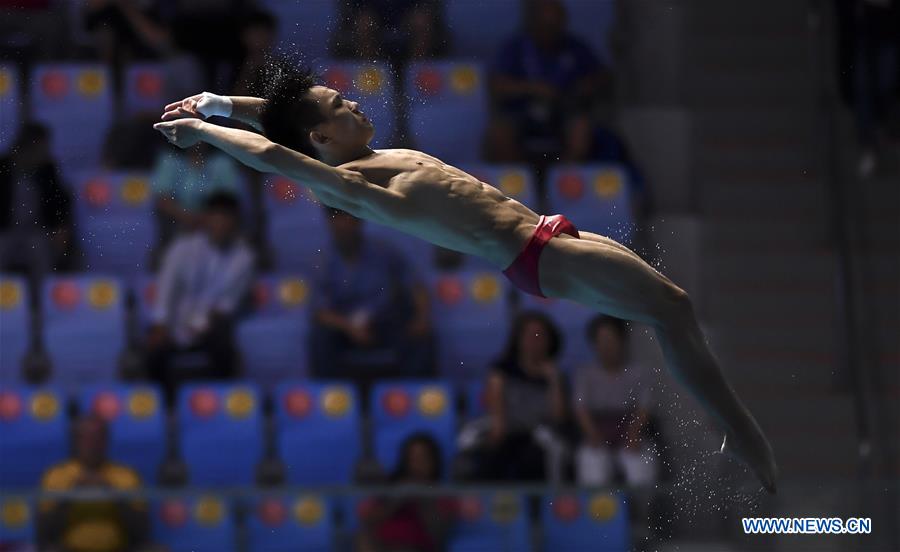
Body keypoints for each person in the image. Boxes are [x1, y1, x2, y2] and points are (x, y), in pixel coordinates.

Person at [152, 65, 778, 492]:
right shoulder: (357, 185)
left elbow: (285, 123)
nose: (355, 103)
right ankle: (743, 434)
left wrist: (219, 103)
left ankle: (731, 425)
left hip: (550, 234)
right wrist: (206, 131)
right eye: (342, 106)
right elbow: (274, 153)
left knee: (670, 308)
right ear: (323, 136)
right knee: (672, 307)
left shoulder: (370, 154)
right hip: (540, 258)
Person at [145, 191, 254, 403]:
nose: (220, 224)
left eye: (226, 218)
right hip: (175, 322)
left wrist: (200, 326)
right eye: (216, 217)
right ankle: (164, 407)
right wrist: (161, 324)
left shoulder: (244, 258)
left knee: (224, 348)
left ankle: (217, 404)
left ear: (235, 222)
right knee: (152, 352)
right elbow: (166, 288)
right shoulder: (183, 247)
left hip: (210, 326)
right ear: (207, 218)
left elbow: (226, 305)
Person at [309, 207, 433, 379]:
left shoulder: (383, 252)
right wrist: (350, 328)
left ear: (360, 219)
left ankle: (411, 392)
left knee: (421, 336)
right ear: (329, 222)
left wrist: (422, 317)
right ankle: (330, 392)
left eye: (348, 217)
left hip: (384, 322)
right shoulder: (322, 261)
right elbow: (319, 312)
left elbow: (416, 285)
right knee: (320, 337)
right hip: (345, 328)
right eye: (337, 218)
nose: (344, 224)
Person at [484, 0, 610, 165]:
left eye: (555, 25)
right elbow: (497, 85)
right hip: (522, 110)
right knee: (499, 132)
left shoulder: (575, 47)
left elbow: (602, 77)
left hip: (562, 110)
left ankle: (563, 177)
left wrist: (583, 87)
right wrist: (532, 89)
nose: (551, 31)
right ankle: (519, 178)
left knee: (581, 128)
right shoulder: (515, 47)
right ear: (533, 23)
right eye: (546, 26)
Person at [461, 311, 569, 482]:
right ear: (518, 339)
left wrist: (554, 380)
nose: (534, 341)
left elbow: (559, 417)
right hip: (505, 428)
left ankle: (549, 497)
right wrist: (498, 429)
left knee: (541, 455)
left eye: (539, 335)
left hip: (538, 435)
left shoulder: (556, 376)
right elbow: (495, 410)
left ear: (550, 340)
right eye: (529, 335)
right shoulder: (501, 371)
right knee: (478, 450)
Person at [38, 415, 150, 552]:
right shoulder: (56, 476)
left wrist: (113, 494)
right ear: (76, 441)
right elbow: (45, 531)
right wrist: (72, 494)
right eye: (87, 438)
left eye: (98, 438)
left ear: (106, 440)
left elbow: (141, 531)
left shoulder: (127, 476)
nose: (93, 444)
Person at [573, 315, 657, 487]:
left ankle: (641, 506)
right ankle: (599, 506)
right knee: (593, 466)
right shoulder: (585, 374)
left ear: (622, 341)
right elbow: (580, 409)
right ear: (594, 344)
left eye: (611, 340)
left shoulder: (638, 373)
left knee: (640, 468)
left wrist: (633, 435)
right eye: (602, 340)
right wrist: (593, 434)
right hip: (597, 433)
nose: (607, 346)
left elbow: (644, 408)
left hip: (630, 432)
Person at [0, 122, 77, 280]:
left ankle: (41, 293)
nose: (45, 152)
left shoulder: (47, 170)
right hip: (5, 229)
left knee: (39, 250)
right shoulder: (3, 167)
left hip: (37, 231)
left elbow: (60, 202)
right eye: (41, 148)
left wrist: (61, 226)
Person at [356, 433, 456, 552]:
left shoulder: (441, 494)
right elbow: (368, 519)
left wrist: (424, 499)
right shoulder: (390, 487)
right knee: (362, 538)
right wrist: (396, 500)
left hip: (417, 547)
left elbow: (439, 533)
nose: (418, 465)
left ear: (434, 461)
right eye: (413, 459)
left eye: (423, 459)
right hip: (382, 546)